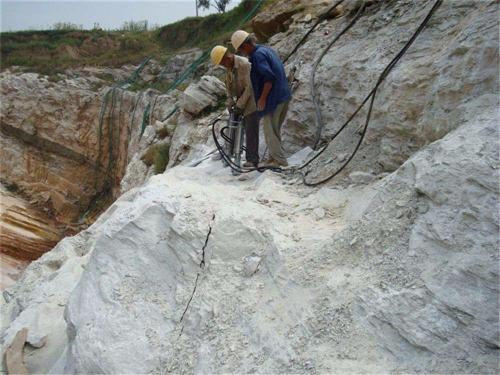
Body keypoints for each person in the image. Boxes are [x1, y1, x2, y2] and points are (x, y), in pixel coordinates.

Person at [231, 30, 291, 168]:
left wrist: (262, 99)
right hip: (283, 95)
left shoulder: (257, 55)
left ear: (245, 46)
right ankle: (273, 158)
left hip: (274, 98)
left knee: (269, 131)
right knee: (274, 130)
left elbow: (268, 78)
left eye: (241, 50)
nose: (242, 53)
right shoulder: (265, 49)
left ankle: (280, 161)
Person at [210, 45, 260, 168]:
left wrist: (239, 105)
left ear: (227, 57)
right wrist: (229, 99)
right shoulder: (230, 67)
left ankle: (252, 159)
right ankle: (229, 152)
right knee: (232, 125)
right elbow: (228, 85)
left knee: (250, 129)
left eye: (222, 63)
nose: (222, 66)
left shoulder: (243, 64)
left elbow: (250, 87)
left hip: (252, 100)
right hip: (240, 100)